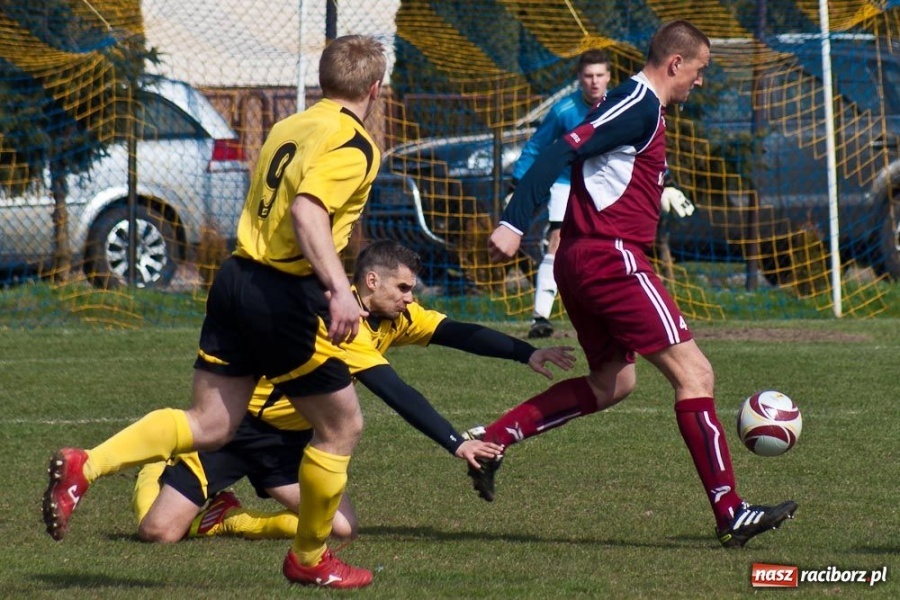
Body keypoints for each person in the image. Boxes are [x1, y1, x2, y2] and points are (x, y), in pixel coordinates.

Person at [42, 35, 428, 589]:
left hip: (236, 276)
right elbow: (307, 211)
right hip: (284, 292)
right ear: (375, 89)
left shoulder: (288, 127)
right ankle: (310, 559)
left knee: (211, 423)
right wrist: (339, 288)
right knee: (342, 425)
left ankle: (89, 464)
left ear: (323, 80)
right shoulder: (354, 142)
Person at [478, 20, 798, 549]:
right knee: (696, 373)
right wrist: (515, 222)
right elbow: (561, 151)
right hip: (611, 258)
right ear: (676, 64)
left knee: (613, 383)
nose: (700, 82)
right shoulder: (640, 104)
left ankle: (491, 441)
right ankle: (731, 510)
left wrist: (661, 185)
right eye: (699, 72)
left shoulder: (637, 106)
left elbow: (610, 166)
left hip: (582, 260)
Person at [132, 240, 575, 543]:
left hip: (286, 444)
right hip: (237, 428)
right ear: (371, 283)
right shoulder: (341, 320)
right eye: (402, 288)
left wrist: (526, 353)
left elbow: (459, 333)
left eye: (412, 291)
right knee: (158, 533)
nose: (409, 299)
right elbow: (394, 390)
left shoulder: (399, 316)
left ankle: (228, 520)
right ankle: (163, 459)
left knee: (342, 529)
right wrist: (456, 443)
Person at [511, 49, 611, 339]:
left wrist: (664, 180)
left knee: (607, 247)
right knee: (557, 241)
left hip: (606, 185)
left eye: (599, 75)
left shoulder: (620, 105)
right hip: (567, 185)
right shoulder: (563, 110)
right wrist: (516, 185)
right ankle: (540, 317)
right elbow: (535, 146)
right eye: (588, 75)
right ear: (580, 78)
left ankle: (607, 314)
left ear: (608, 77)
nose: (594, 81)